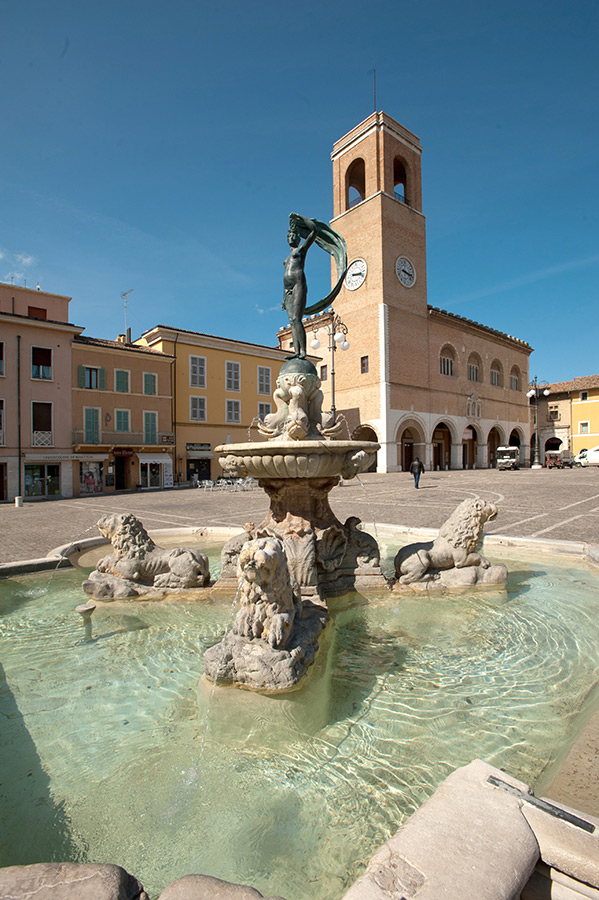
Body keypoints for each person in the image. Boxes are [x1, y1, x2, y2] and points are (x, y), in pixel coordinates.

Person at [282, 215, 317, 358]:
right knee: (291, 322)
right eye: (289, 235)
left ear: (298, 238)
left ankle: (303, 352)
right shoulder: (287, 258)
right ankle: (296, 352)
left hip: (298, 285)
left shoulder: (301, 250)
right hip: (287, 290)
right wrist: (283, 297)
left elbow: (314, 232)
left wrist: (300, 218)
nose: (291, 237)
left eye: (294, 235)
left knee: (297, 318)